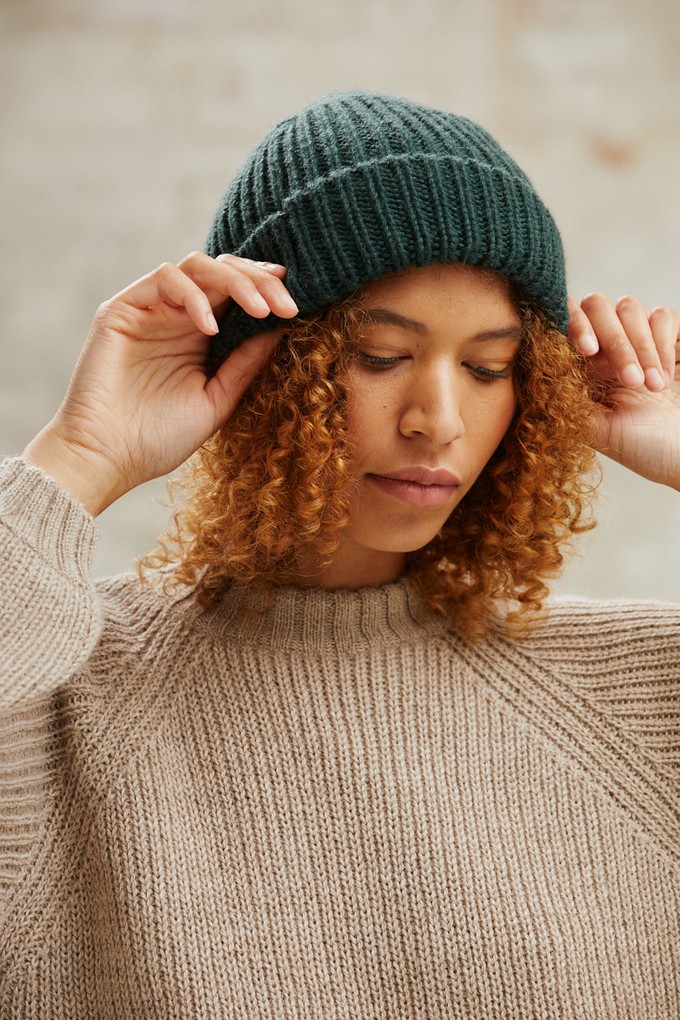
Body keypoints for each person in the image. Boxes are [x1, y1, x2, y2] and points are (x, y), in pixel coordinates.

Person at [0, 90, 678, 1018]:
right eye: (377, 355)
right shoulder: (63, 705)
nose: (438, 419)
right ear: (274, 363)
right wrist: (77, 459)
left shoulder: (634, 704)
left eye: (489, 369)